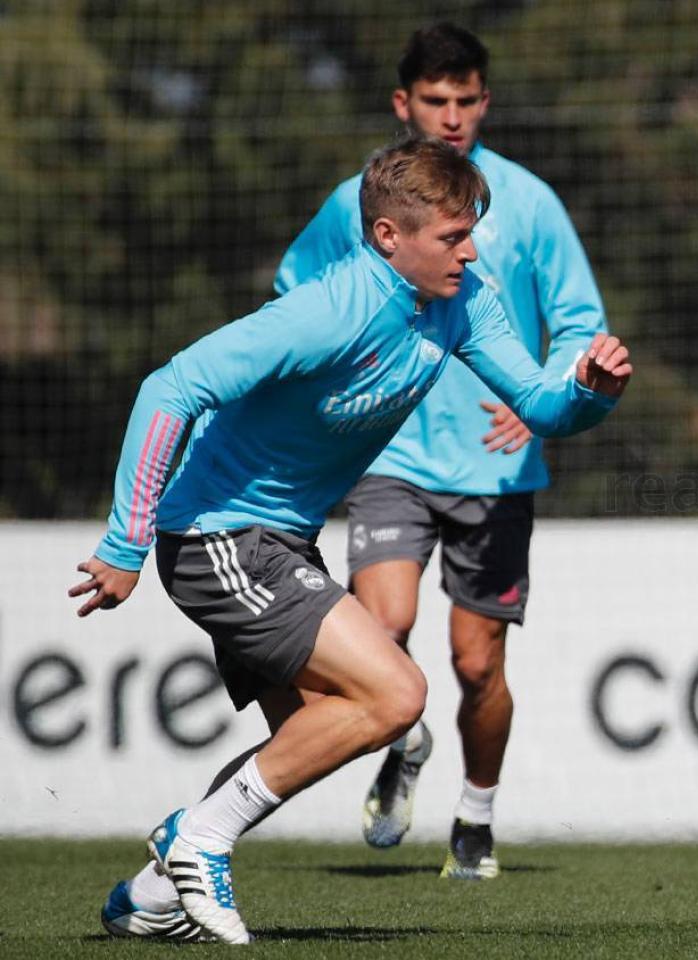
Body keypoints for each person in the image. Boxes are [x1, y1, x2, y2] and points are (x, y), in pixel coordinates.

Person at [75, 136, 632, 944]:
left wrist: (588, 391)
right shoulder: (330, 309)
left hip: (283, 541)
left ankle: (152, 895)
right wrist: (125, 544)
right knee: (398, 695)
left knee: (319, 729)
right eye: (451, 236)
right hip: (215, 536)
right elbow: (172, 387)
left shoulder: (464, 298)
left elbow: (541, 407)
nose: (471, 251)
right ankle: (196, 840)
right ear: (387, 237)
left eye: (471, 231)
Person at [274, 21, 608, 882]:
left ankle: (477, 816)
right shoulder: (360, 202)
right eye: (435, 100)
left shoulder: (526, 204)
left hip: (495, 469)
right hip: (388, 455)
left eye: (466, 100)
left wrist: (544, 401)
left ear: (484, 103)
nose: (451, 116)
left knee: (475, 660)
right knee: (378, 631)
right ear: (403, 104)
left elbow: (580, 320)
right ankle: (402, 733)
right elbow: (295, 290)